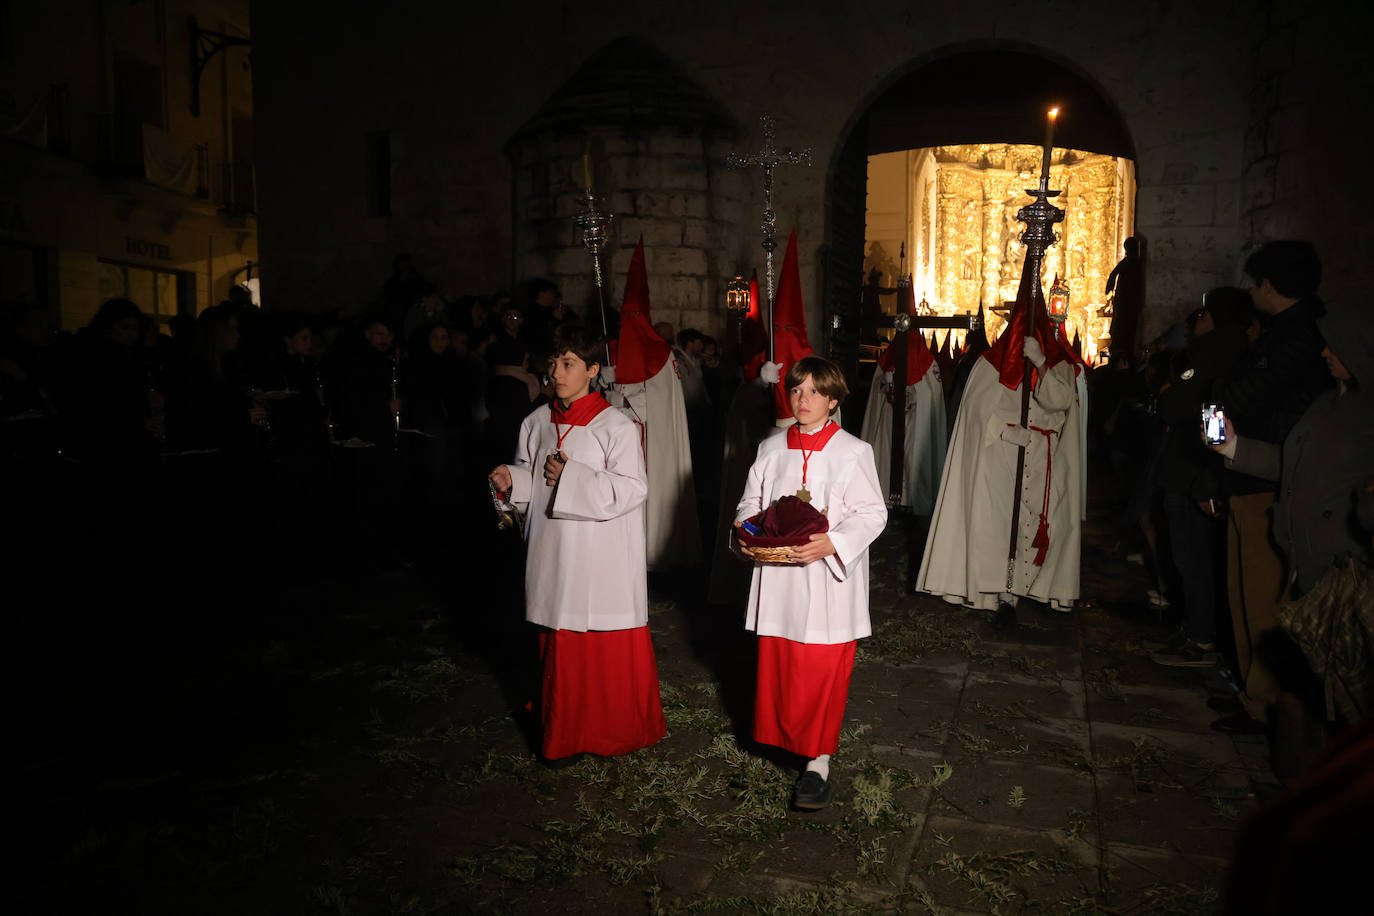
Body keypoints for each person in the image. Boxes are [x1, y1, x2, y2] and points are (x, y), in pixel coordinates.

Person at [1208, 298, 1374, 774]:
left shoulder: (1366, 413)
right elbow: (1291, 464)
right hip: (1307, 564)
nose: (1324, 354)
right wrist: (1233, 448)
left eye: (1334, 348)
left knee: (1336, 694)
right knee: (1300, 685)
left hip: (1346, 573)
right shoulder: (1329, 403)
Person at [488, 328, 665, 765]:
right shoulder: (536, 420)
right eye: (553, 363)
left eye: (568, 364)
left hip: (599, 551)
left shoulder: (615, 425)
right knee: (558, 637)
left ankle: (610, 727)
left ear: (592, 370)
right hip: (553, 547)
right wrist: (514, 480)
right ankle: (562, 728)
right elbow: (532, 474)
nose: (557, 372)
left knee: (597, 640)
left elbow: (632, 488)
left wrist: (571, 477)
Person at [732, 355, 887, 810]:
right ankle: (786, 740)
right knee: (784, 664)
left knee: (820, 669)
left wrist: (832, 543)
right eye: (797, 390)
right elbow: (749, 505)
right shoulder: (770, 449)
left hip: (826, 582)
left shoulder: (854, 451)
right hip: (780, 578)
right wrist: (750, 534)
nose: (804, 399)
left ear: (834, 400)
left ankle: (818, 762)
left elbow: (873, 512)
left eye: (816, 392)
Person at [1210, 240, 1331, 733]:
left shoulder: (1298, 337)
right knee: (1243, 589)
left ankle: (1264, 703)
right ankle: (1252, 693)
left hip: (1266, 475)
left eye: (1254, 281)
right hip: (1246, 469)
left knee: (1261, 595)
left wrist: (1221, 397)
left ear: (1268, 285)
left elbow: (1251, 394)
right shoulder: (1285, 333)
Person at [916, 269, 1083, 624]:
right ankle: (996, 591)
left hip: (1044, 459)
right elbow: (974, 417)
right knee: (995, 524)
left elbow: (1059, 402)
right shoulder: (988, 366)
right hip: (1000, 461)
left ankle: (1038, 588)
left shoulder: (1061, 366)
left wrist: (1039, 361)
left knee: (1042, 527)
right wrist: (1006, 432)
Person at [603, 240, 701, 570]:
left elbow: (664, 403)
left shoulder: (660, 354)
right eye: (625, 315)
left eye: (635, 314)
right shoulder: (610, 351)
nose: (629, 320)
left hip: (650, 441)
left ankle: (653, 552)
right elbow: (601, 392)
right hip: (615, 441)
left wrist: (633, 403)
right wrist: (607, 390)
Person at [859, 280, 947, 515]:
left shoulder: (928, 364)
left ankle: (913, 502)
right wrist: (887, 386)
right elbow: (875, 399)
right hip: (889, 421)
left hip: (916, 423)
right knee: (887, 457)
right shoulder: (887, 359)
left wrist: (912, 395)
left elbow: (931, 398)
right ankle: (885, 499)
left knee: (915, 458)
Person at [1105, 237, 1144, 363]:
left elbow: (1113, 274)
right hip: (1125, 300)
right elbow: (1114, 274)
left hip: (1126, 301)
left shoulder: (1131, 262)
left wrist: (1110, 287)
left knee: (1123, 328)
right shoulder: (1131, 262)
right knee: (1121, 327)